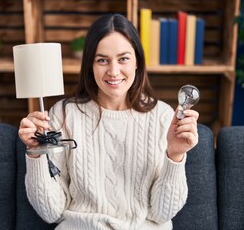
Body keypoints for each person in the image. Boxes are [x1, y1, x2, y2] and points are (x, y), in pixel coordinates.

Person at [18, 13, 199, 230]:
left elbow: (162, 213)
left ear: (137, 64)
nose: (113, 71)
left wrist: (175, 155)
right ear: (90, 66)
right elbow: (51, 212)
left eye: (123, 59)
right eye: (102, 60)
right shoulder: (64, 115)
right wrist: (35, 153)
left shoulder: (162, 116)